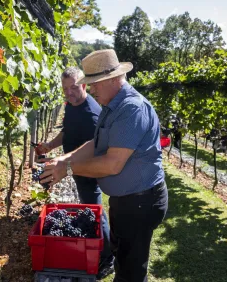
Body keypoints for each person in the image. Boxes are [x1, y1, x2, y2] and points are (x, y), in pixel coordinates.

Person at [40, 49, 168, 282]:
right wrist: (64, 159)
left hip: (141, 202)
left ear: (111, 79)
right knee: (123, 256)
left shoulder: (131, 109)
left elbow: (112, 164)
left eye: (94, 84)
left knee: (131, 269)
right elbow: (95, 143)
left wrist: (68, 169)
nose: (91, 89)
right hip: (126, 200)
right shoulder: (112, 106)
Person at [34, 67, 114, 279]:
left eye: (74, 87)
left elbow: (95, 152)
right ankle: (104, 248)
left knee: (94, 209)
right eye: (65, 89)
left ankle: (108, 257)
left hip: (87, 170)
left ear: (84, 85)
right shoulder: (72, 105)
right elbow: (67, 131)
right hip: (75, 167)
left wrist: (64, 165)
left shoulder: (92, 115)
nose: (69, 92)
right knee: (90, 206)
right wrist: (49, 147)